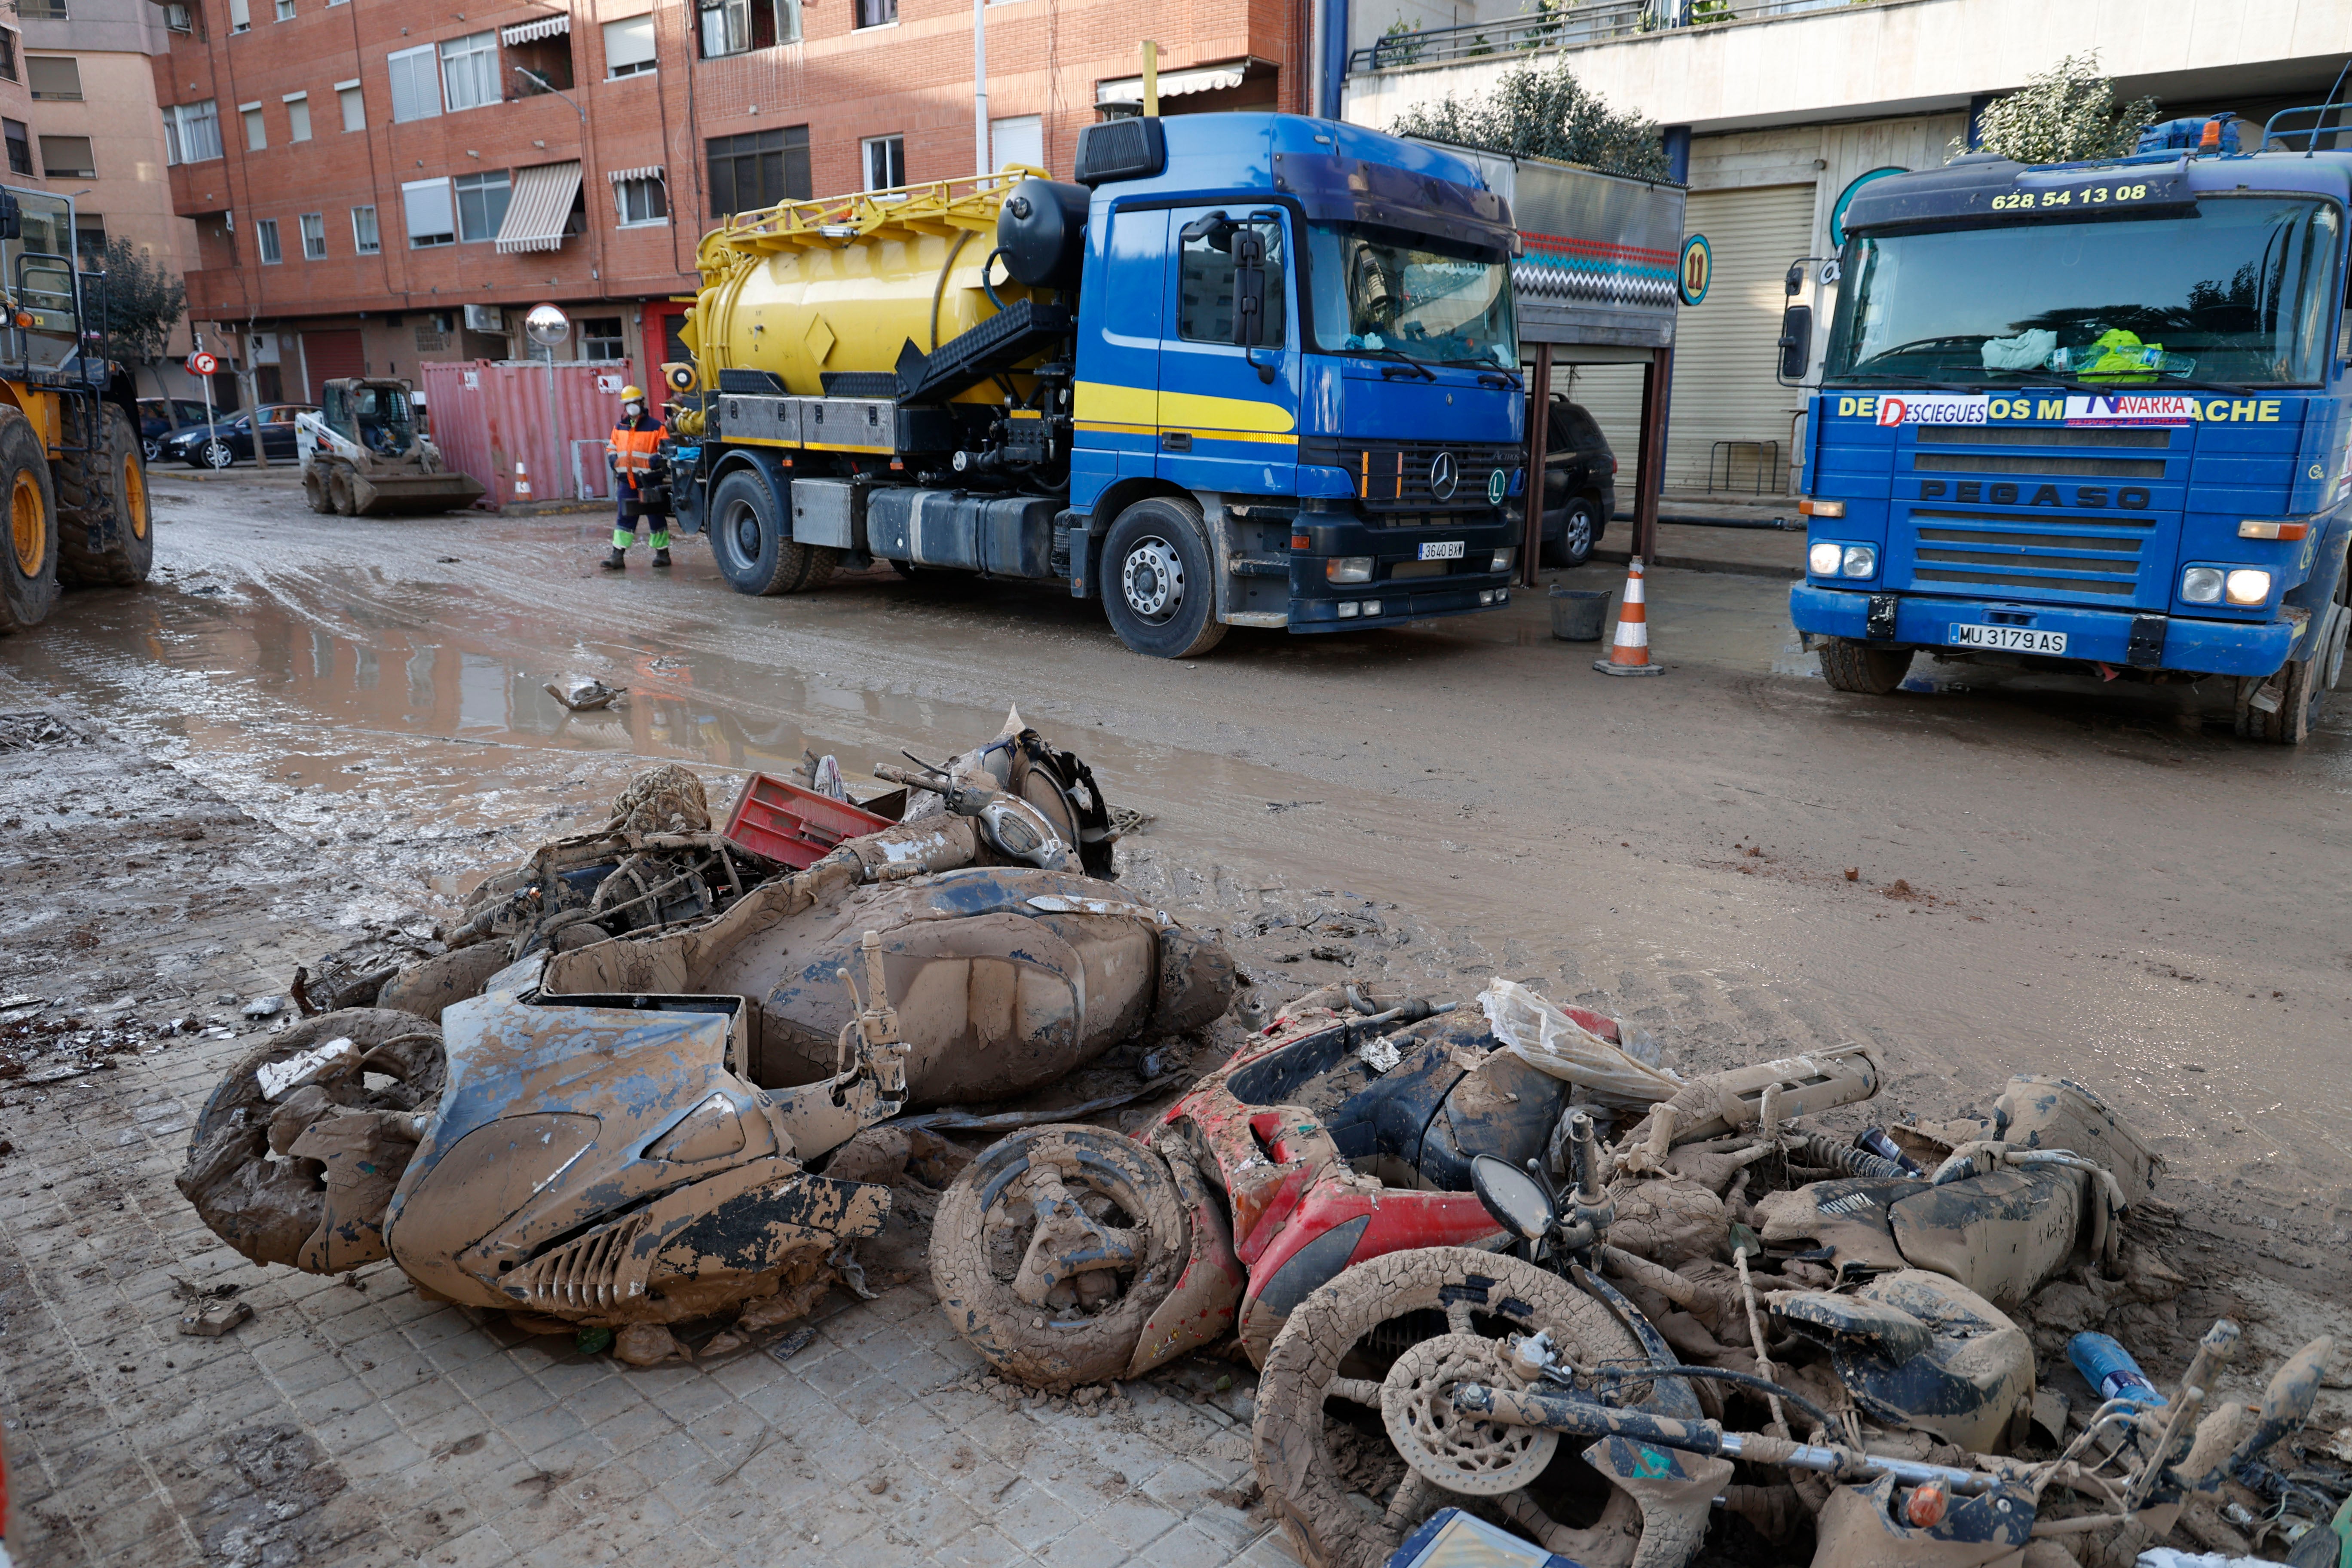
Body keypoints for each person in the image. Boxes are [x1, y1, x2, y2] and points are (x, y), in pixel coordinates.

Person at [602, 386, 671, 570]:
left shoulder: (657, 427)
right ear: (624, 406)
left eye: (635, 402)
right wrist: (614, 461)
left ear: (642, 403)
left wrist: (655, 462)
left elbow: (665, 450)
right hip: (627, 481)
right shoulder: (619, 427)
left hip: (650, 481)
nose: (632, 406)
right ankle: (618, 555)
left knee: (656, 518)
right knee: (625, 517)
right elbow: (612, 448)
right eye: (628, 404)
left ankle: (663, 554)